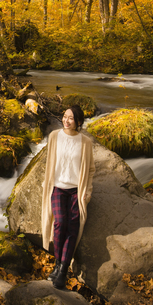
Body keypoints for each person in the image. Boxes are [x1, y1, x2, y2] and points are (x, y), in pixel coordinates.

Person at [41, 104, 96, 289]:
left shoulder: (85, 142)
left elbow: (90, 169)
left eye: (70, 118)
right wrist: (46, 181)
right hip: (57, 187)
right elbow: (49, 161)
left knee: (73, 229)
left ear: (78, 122)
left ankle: (62, 270)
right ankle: (58, 263)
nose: (66, 120)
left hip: (75, 190)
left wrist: (87, 191)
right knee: (60, 223)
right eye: (64, 116)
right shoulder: (54, 136)